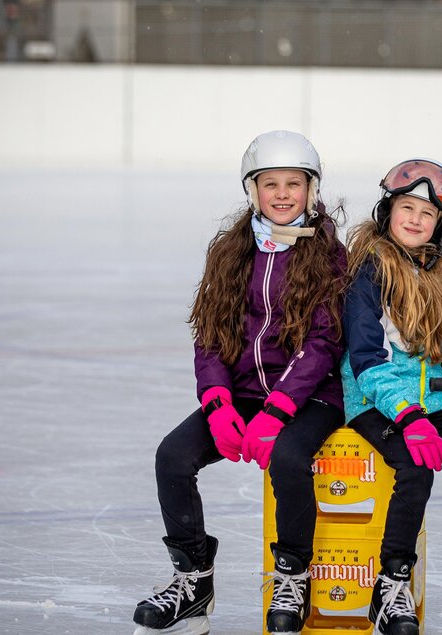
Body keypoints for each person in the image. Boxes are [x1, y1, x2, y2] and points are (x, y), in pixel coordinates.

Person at [133, 130, 347, 635]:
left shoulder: (328, 255)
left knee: (291, 460)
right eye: (269, 183)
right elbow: (210, 331)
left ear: (310, 190)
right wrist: (216, 401)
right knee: (173, 457)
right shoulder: (231, 251)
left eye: (293, 184)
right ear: (252, 189)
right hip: (242, 393)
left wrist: (277, 412)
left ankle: (293, 576)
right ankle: (193, 583)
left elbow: (322, 342)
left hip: (311, 395)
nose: (281, 194)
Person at [340, 159, 442, 635]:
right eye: (407, 207)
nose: (416, 219)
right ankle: (391, 581)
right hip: (377, 401)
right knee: (415, 465)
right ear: (389, 211)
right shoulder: (370, 271)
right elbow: (366, 357)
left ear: (440, 224)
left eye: (427, 213)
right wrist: (409, 416)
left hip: (439, 400)